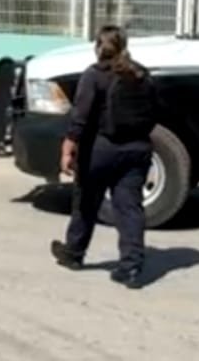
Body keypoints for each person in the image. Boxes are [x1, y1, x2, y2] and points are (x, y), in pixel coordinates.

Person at [51, 25, 158, 289]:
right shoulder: (141, 74)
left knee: (86, 202)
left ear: (98, 47)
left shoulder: (94, 75)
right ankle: (131, 267)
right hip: (137, 149)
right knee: (130, 207)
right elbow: (155, 111)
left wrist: (68, 148)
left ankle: (73, 253)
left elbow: (80, 117)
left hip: (101, 150)